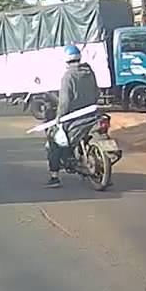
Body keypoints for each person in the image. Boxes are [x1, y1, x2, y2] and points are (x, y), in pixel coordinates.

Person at [45, 44, 101, 188]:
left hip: (74, 119)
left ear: (66, 60)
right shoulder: (90, 72)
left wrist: (58, 118)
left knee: (53, 139)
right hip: (92, 115)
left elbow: (64, 102)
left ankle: (54, 177)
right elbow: (97, 93)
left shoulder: (68, 76)